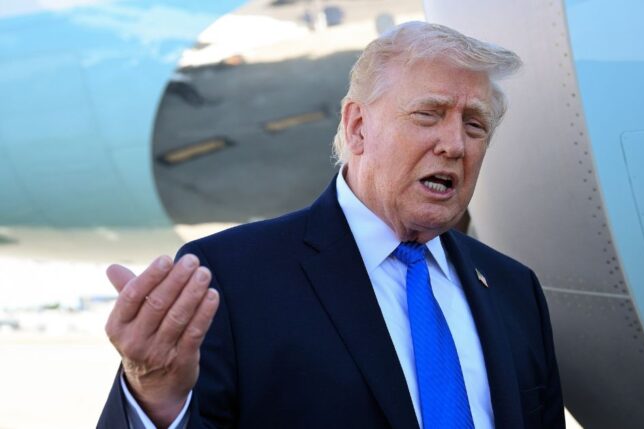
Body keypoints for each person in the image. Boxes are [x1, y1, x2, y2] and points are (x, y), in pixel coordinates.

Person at [98, 21, 565, 429]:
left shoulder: (513, 289)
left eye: (475, 125)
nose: (454, 144)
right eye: (429, 114)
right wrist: (155, 397)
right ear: (358, 126)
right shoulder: (230, 278)